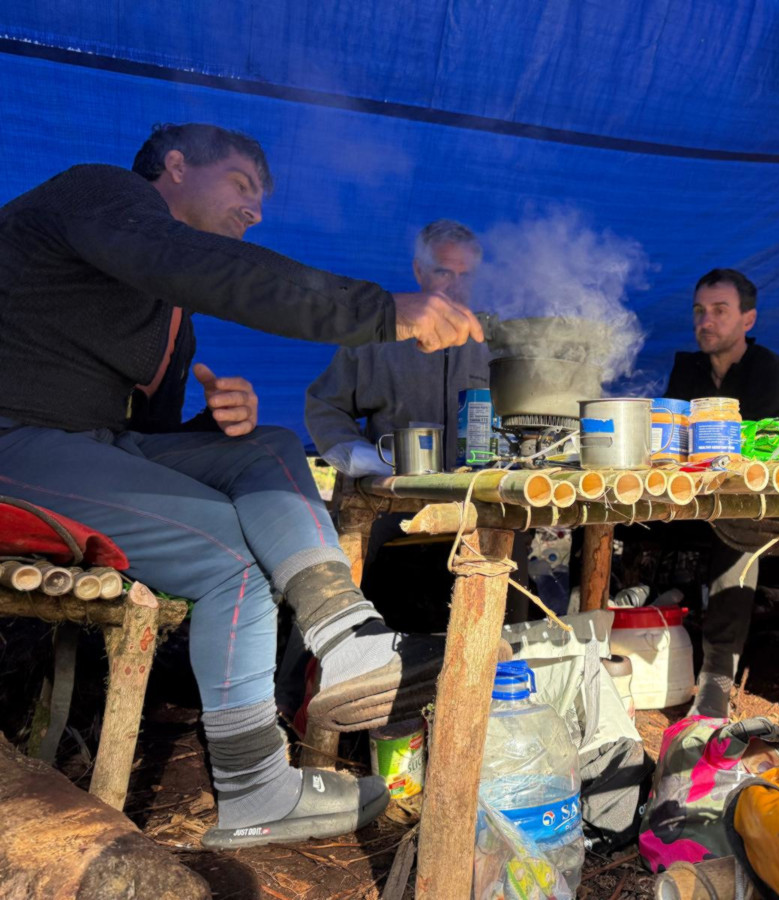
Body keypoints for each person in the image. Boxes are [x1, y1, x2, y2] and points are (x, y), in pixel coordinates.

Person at [0, 123, 484, 848]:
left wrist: (215, 422)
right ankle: (256, 785)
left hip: (90, 446)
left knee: (270, 444)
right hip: (16, 441)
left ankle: (348, 638)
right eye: (242, 185)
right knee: (227, 554)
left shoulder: (167, 314)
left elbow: (146, 443)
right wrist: (380, 311)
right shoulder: (99, 193)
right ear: (174, 166)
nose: (256, 208)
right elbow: (207, 264)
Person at [664, 269, 779, 717]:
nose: (707, 320)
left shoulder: (768, 371)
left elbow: (773, 453)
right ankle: (623, 633)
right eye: (700, 311)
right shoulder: (687, 370)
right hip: (688, 497)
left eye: (720, 310)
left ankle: (717, 676)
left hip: (749, 503)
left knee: (735, 532)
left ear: (748, 320)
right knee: (615, 519)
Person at [306, 219, 490, 476]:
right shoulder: (381, 337)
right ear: (419, 271)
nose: (456, 285)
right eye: (443, 272)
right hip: (392, 500)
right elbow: (323, 404)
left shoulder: (493, 341)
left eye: (465, 275)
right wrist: (363, 458)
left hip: (477, 501)